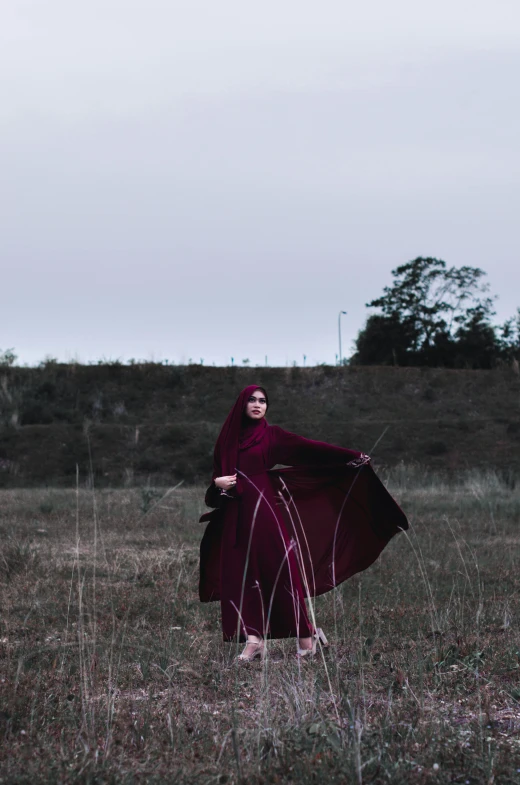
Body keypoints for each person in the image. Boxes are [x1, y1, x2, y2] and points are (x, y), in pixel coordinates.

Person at [199, 384, 408, 661]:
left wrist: (350, 457)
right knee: (242, 576)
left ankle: (307, 638)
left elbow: (309, 449)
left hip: (264, 512)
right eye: (252, 400)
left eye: (263, 401)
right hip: (234, 517)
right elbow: (215, 494)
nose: (258, 405)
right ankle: (253, 640)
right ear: (241, 404)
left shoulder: (271, 437)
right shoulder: (226, 441)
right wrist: (217, 483)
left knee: (281, 571)